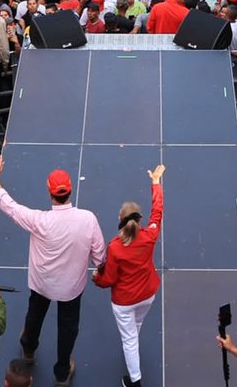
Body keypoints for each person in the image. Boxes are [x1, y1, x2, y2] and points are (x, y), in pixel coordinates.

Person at [0, 152, 106, 387]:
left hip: (42, 283)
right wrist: (98, 269)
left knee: (35, 315)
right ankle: (62, 373)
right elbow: (100, 255)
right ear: (70, 190)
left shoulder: (39, 221)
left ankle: (29, 348)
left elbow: (10, 206)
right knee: (67, 328)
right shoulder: (88, 219)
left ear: (48, 190)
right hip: (71, 288)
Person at [93, 163, 165, 387]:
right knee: (137, 325)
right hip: (147, 294)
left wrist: (97, 279)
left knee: (129, 339)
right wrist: (155, 183)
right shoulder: (150, 235)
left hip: (124, 300)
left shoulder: (115, 247)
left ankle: (135, 382)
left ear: (120, 219)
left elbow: (110, 279)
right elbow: (158, 212)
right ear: (139, 220)